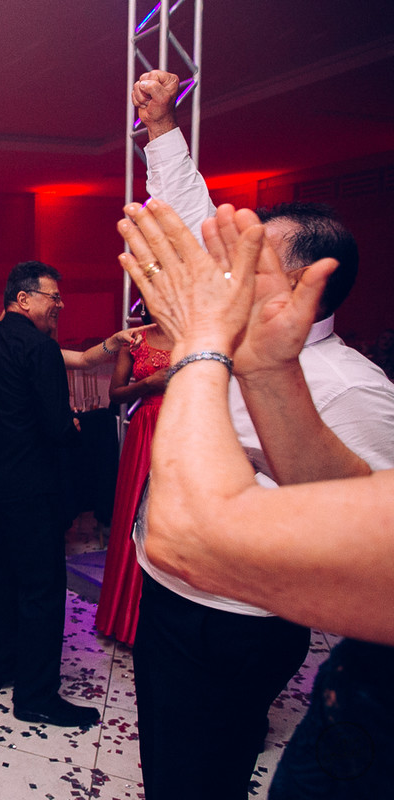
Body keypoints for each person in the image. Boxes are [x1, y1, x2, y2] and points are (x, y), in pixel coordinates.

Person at [129, 69, 394, 800]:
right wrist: (161, 129)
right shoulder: (243, 335)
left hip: (240, 620)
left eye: (254, 263)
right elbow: (192, 222)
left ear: (309, 285)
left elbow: (364, 537)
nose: (228, 273)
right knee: (170, 765)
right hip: (169, 597)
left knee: (204, 770)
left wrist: (198, 347)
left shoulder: (353, 386)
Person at [0, 260, 100, 728]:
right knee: (42, 590)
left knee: (4, 578)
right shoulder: (41, 349)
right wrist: (72, 428)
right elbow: (55, 425)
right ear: (23, 298)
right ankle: (36, 695)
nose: (59, 306)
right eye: (54, 297)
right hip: (32, 491)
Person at [93, 321, 172, 646]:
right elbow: (115, 393)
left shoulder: (195, 333)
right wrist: (149, 384)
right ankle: (126, 618)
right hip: (146, 428)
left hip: (185, 427)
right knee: (134, 517)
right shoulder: (135, 339)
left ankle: (171, 624)